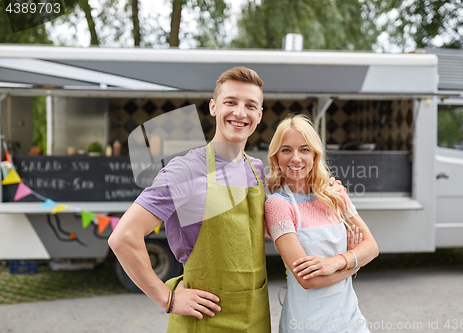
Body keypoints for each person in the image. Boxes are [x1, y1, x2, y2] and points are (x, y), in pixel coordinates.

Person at [108, 67, 271, 332]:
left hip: (255, 315)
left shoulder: (256, 168)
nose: (240, 113)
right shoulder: (186, 170)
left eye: (250, 105)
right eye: (230, 102)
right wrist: (168, 299)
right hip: (205, 320)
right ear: (213, 107)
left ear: (259, 115)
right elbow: (123, 237)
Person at [265, 114, 379, 333]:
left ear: (315, 155)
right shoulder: (278, 206)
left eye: (304, 149)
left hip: (350, 319)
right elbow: (307, 280)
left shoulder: (335, 194)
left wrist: (337, 262)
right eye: (286, 149)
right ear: (276, 156)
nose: (295, 158)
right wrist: (355, 261)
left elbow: (372, 246)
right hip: (307, 323)